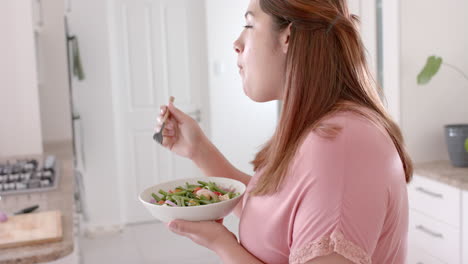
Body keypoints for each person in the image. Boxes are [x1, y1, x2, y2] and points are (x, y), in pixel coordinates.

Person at [155, 0, 413, 263]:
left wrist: (221, 243)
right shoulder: (322, 129)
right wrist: (198, 150)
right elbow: (271, 216)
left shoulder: (340, 145)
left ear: (288, 37)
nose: (237, 43)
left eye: (249, 24)